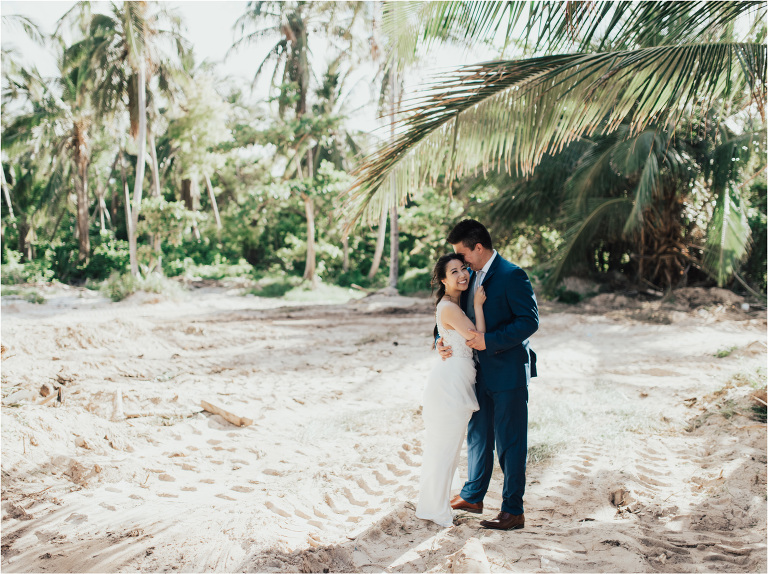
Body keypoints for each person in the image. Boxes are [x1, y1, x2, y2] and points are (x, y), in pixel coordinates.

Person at [439, 219, 538, 531]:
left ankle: (513, 511)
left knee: (510, 442)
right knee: (479, 437)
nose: (461, 263)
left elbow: (529, 322)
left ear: (477, 248)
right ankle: (473, 495)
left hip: (508, 373)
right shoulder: (469, 279)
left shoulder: (512, 275)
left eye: (462, 254)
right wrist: (440, 340)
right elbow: (454, 315)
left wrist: (489, 341)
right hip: (476, 373)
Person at [415, 253, 487, 528]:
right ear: (443, 280)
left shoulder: (452, 304)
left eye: (463, 269)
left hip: (457, 377)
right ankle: (435, 509)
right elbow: (477, 338)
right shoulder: (450, 307)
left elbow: (445, 331)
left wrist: (439, 339)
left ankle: (435, 505)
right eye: (454, 272)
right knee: (444, 448)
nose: (462, 275)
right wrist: (479, 307)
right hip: (450, 384)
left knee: (449, 447)